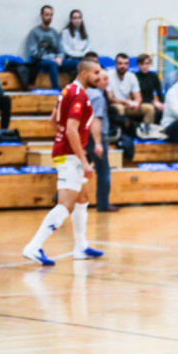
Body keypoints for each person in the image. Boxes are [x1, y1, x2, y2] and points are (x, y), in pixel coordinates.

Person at [22, 58, 106, 266]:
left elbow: (54, 120)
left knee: (82, 197)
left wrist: (62, 139)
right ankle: (34, 246)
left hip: (65, 151)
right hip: (69, 155)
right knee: (66, 205)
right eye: (96, 73)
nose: (99, 76)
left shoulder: (67, 90)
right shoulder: (79, 95)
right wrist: (83, 160)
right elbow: (70, 128)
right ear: (85, 73)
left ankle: (81, 246)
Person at [86, 67, 115, 212]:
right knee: (103, 170)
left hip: (84, 135)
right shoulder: (97, 96)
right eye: (103, 79)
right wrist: (98, 142)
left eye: (107, 79)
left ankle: (59, 196)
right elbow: (95, 120)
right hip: (95, 136)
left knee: (80, 168)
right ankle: (103, 204)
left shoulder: (87, 92)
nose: (106, 82)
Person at [108, 53, 158, 137]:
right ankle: (120, 135)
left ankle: (146, 133)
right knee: (120, 108)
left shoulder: (131, 76)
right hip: (114, 106)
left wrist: (136, 103)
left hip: (128, 106)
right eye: (120, 63)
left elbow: (138, 97)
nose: (123, 66)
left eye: (125, 63)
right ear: (115, 64)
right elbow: (110, 98)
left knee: (149, 108)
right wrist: (127, 101)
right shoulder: (109, 75)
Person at [27, 5, 62, 89]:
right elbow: (33, 53)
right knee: (52, 64)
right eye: (47, 15)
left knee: (75, 63)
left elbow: (60, 49)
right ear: (41, 15)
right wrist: (52, 58)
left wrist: (60, 57)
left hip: (55, 60)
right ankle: (56, 90)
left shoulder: (54, 32)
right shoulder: (34, 32)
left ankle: (73, 90)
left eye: (51, 15)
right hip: (40, 61)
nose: (49, 17)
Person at [59, 9, 91, 74]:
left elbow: (88, 48)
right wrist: (79, 53)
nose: (77, 20)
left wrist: (81, 54)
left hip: (82, 58)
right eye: (74, 18)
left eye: (79, 18)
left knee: (95, 64)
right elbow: (66, 50)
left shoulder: (83, 33)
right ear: (71, 20)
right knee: (79, 65)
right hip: (69, 59)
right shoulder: (65, 32)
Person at [135, 54, 165, 118]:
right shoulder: (135, 77)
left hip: (151, 102)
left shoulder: (154, 76)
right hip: (140, 103)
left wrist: (162, 104)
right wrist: (153, 102)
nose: (145, 66)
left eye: (147, 63)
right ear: (138, 65)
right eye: (142, 64)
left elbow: (159, 93)